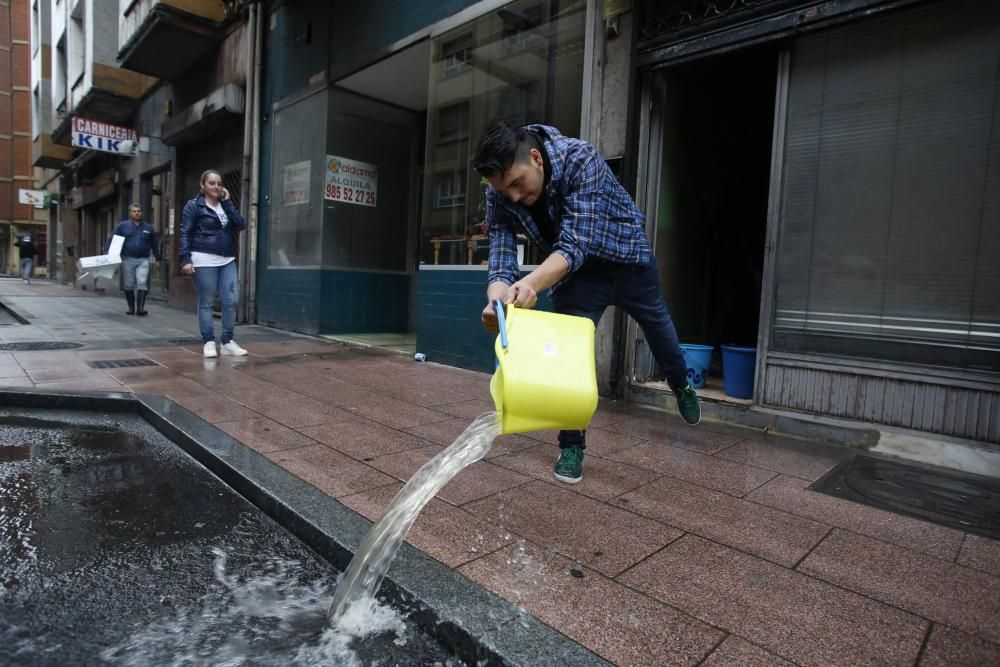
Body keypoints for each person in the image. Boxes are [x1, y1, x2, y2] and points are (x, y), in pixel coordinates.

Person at [472, 120, 700, 484]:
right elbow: (501, 250)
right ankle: (571, 446)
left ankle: (681, 384)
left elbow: (576, 242)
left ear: (536, 158)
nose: (512, 196)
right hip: (577, 277)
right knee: (567, 361)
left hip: (627, 260)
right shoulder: (499, 191)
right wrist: (496, 299)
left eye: (517, 183)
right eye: (505, 189)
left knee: (659, 328)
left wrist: (532, 283)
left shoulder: (581, 159)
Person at [179, 170, 248, 358]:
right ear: (202, 185)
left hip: (227, 258)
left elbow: (240, 224)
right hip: (203, 258)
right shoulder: (194, 206)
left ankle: (227, 341)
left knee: (231, 301)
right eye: (211, 183)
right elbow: (185, 232)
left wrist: (228, 203)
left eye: (219, 183)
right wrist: (185, 258)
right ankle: (209, 341)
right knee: (206, 303)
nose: (216, 186)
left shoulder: (224, 205)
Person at [104, 204, 161, 315]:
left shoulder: (148, 228)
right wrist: (107, 254)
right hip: (127, 259)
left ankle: (140, 309)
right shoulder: (122, 226)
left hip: (143, 259)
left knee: (142, 282)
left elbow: (154, 244)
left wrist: (157, 259)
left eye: (139, 211)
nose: (136, 213)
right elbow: (112, 239)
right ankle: (131, 307)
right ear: (130, 213)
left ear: (142, 213)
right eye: (134, 211)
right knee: (128, 284)